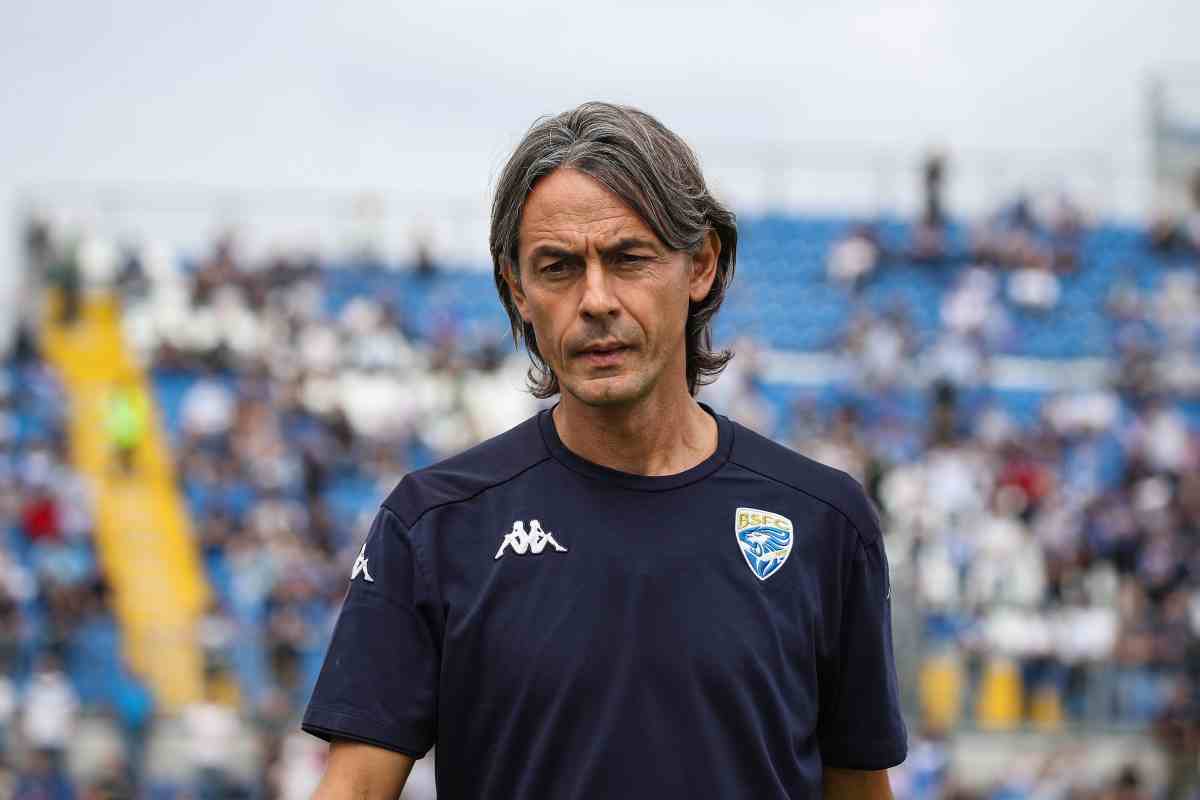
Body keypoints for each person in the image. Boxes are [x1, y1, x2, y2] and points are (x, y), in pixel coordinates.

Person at [303, 101, 907, 799]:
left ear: (701, 264)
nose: (595, 299)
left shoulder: (825, 522)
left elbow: (858, 788)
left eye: (628, 259)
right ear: (517, 289)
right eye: (558, 267)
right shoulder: (433, 525)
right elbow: (353, 789)